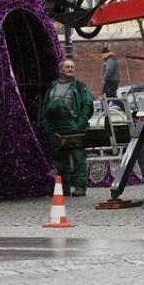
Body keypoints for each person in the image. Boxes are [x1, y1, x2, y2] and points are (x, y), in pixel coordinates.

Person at [40, 59, 94, 196]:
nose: (70, 69)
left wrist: (79, 125)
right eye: (67, 67)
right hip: (56, 130)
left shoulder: (80, 87)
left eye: (72, 67)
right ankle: (63, 189)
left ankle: (80, 187)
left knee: (79, 159)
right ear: (60, 70)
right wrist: (48, 128)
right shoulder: (52, 88)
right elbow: (45, 109)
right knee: (60, 162)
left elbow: (87, 107)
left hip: (74, 128)